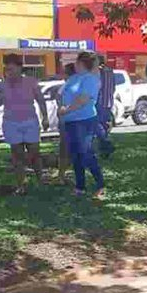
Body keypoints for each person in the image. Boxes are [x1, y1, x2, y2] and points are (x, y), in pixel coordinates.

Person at [0, 54, 49, 195]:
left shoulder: (31, 82)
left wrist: (45, 117)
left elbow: (40, 100)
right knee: (17, 154)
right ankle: (21, 185)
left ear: (19, 68)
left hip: (30, 121)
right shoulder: (3, 84)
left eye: (11, 69)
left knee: (34, 152)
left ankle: (40, 179)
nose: (9, 72)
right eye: (7, 69)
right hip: (11, 123)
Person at [58, 52, 105, 199]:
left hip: (84, 121)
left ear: (83, 64)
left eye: (77, 62)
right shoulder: (73, 78)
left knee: (86, 153)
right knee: (76, 155)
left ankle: (100, 184)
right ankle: (80, 186)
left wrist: (66, 109)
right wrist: (62, 109)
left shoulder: (91, 79)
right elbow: (61, 94)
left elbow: (83, 99)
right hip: (70, 121)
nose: (75, 65)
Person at [55, 63, 77, 184]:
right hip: (71, 122)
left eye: (65, 73)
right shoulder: (72, 85)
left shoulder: (68, 85)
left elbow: (58, 97)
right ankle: (63, 176)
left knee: (65, 150)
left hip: (68, 121)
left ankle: (62, 176)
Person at [95, 56, 116, 157]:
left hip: (100, 102)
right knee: (104, 126)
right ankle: (104, 152)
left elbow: (97, 87)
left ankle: (107, 144)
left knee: (97, 125)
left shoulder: (99, 71)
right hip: (109, 102)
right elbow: (113, 87)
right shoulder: (110, 71)